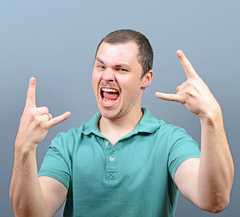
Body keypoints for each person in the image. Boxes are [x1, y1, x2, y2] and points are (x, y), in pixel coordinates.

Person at [10, 29, 234, 217]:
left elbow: (214, 200)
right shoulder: (67, 145)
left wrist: (212, 118)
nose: (107, 76)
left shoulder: (171, 141)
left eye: (121, 69)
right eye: (101, 66)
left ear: (146, 78)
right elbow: (31, 214)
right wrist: (23, 149)